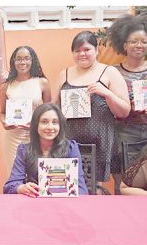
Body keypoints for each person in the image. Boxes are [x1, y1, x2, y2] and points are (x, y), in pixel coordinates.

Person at [55, 31, 130, 188]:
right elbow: (54, 106)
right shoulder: (64, 74)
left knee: (97, 188)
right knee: (69, 186)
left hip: (100, 140)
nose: (82, 54)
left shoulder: (109, 72)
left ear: (96, 50)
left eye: (86, 49)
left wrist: (107, 93)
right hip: (70, 140)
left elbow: (124, 111)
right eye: (77, 51)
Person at [107, 14, 147, 189]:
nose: (139, 45)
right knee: (126, 182)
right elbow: (111, 108)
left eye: (144, 41)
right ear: (124, 45)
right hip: (125, 134)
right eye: (134, 41)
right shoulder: (113, 71)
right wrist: (128, 108)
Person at [3, 103, 88, 196]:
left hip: (64, 204)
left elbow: (81, 188)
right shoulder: (24, 150)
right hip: (33, 202)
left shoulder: (71, 148)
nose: (50, 127)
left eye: (55, 122)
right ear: (36, 125)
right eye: (44, 122)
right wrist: (21, 188)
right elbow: (10, 185)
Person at [0, 46, 51, 172]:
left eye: (27, 59)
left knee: (37, 174)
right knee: (14, 175)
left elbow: (50, 113)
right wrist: (4, 122)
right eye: (19, 59)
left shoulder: (42, 82)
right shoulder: (6, 86)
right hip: (13, 137)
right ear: (13, 62)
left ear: (33, 61)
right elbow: (2, 113)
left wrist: (36, 124)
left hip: (37, 136)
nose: (22, 62)